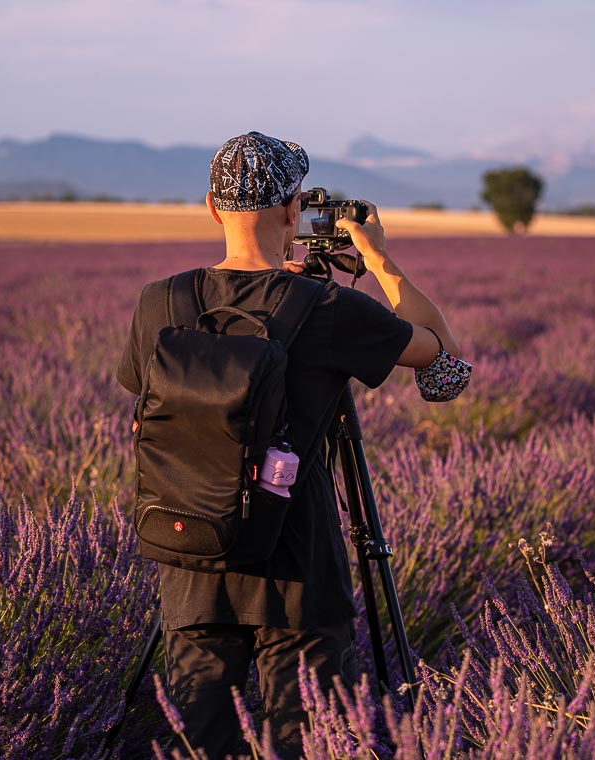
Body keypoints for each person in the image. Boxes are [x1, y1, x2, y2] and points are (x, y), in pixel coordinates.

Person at [116, 131, 464, 758]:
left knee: (201, 745)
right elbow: (442, 362)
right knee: (308, 742)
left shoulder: (158, 303)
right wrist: (379, 260)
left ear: (212, 207)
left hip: (190, 555)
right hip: (298, 572)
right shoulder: (326, 308)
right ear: (292, 209)